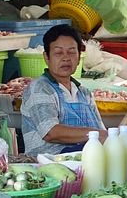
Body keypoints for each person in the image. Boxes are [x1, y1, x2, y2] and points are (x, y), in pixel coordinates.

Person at [21, 25, 107, 155]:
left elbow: (103, 134)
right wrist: (96, 134)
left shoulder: (84, 93)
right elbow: (50, 132)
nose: (66, 58)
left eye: (72, 52)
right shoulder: (39, 88)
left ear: (79, 58)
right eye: (58, 52)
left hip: (85, 156)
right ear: (46, 57)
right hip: (51, 161)